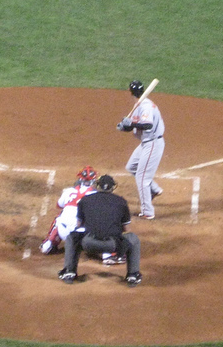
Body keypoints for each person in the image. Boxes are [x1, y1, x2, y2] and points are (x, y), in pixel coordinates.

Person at [58, 174, 142, 287]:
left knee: (72, 237)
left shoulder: (85, 200)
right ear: (113, 187)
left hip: (88, 244)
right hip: (112, 246)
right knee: (133, 238)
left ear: (97, 186)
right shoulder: (121, 201)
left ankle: (69, 272)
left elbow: (79, 225)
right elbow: (126, 229)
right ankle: (132, 275)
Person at [117, 80, 165, 220]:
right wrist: (125, 127)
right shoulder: (139, 105)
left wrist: (131, 123)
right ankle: (154, 189)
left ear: (130, 91)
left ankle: (148, 212)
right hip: (146, 143)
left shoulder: (146, 106)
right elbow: (136, 125)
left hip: (153, 143)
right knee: (131, 167)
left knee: (142, 178)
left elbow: (148, 125)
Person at [40, 166, 98, 254]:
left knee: (60, 216)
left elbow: (59, 205)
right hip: (84, 237)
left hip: (64, 233)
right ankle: (103, 250)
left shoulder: (69, 191)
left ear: (80, 179)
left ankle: (48, 244)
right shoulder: (96, 195)